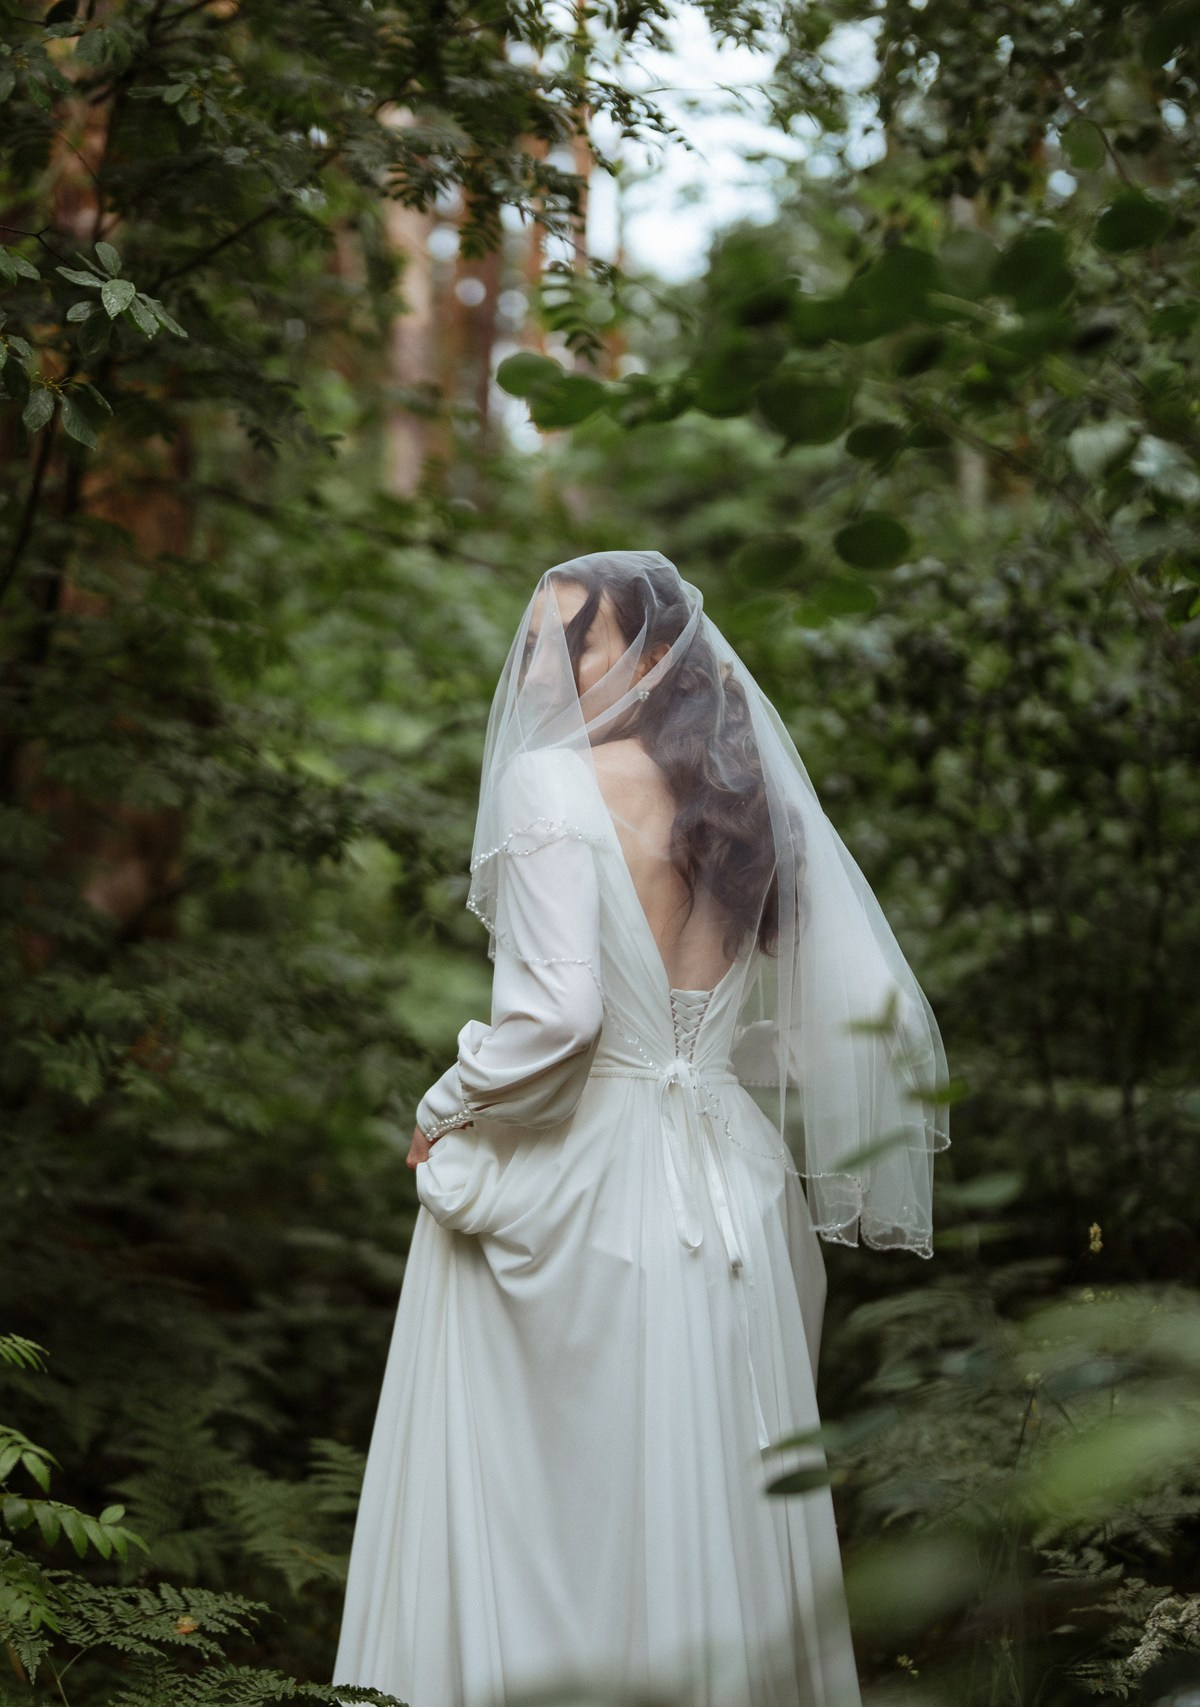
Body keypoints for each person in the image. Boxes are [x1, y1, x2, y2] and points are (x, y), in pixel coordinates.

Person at [333, 551, 948, 1707]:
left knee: (561, 1511)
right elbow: (830, 1024)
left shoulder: (550, 787)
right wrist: (713, 1061)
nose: (536, 669)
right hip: (732, 1187)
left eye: (573, 644)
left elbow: (560, 1019)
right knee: (712, 1494)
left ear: (654, 658)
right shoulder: (740, 803)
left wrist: (443, 1108)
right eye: (533, 642)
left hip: (593, 1185)